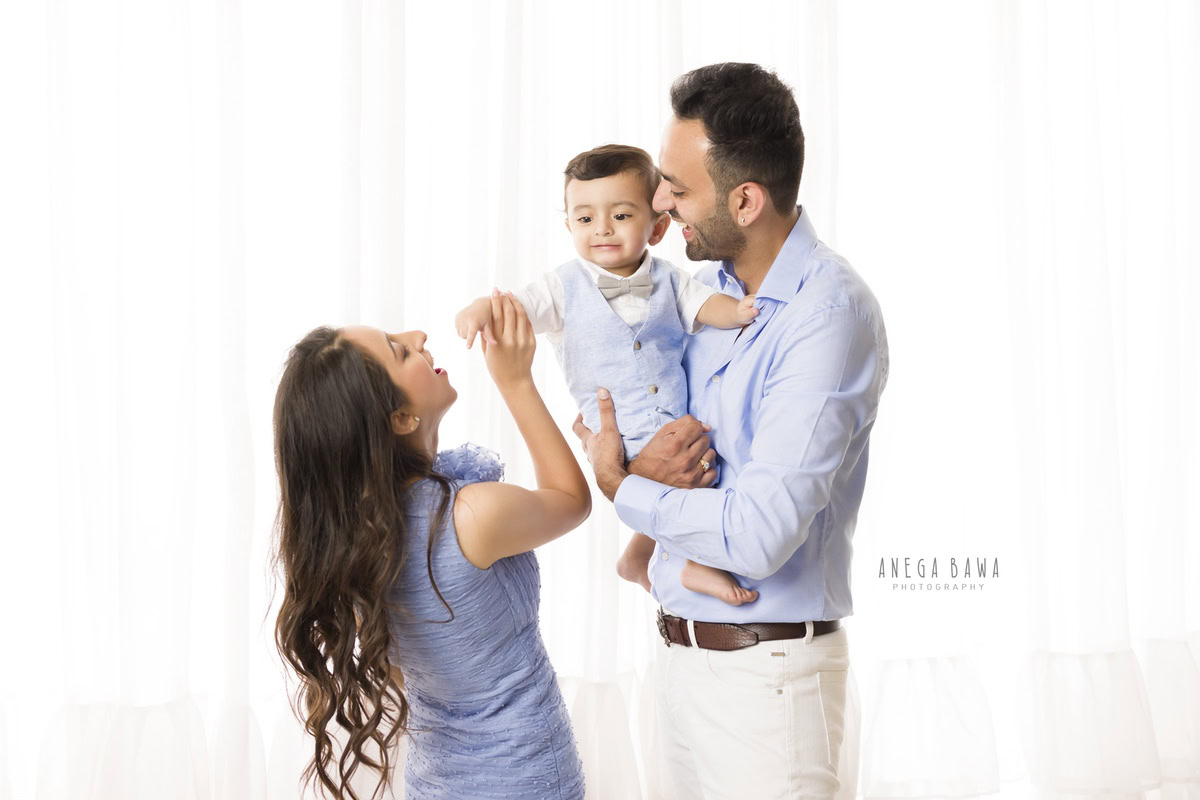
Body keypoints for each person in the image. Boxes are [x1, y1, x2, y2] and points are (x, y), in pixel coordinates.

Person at [574, 63, 889, 799]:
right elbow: (648, 424)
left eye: (676, 190)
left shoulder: (827, 316)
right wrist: (642, 474)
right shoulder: (704, 295)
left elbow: (754, 536)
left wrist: (627, 486)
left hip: (768, 689)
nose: (656, 203)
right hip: (683, 663)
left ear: (745, 200)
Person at [271, 292, 589, 799]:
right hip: (522, 780)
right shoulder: (468, 516)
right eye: (399, 351)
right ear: (399, 419)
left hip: (435, 783)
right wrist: (515, 380)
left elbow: (401, 668)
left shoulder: (358, 543)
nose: (418, 337)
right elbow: (572, 500)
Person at [455, 143, 760, 607]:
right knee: (689, 483)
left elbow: (704, 304)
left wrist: (739, 310)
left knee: (703, 469)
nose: (601, 229)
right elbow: (515, 307)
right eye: (584, 219)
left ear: (657, 227)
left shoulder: (669, 278)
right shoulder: (561, 288)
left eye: (620, 216)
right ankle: (696, 562)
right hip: (618, 428)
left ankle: (639, 558)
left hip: (673, 412)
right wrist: (480, 310)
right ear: (568, 226)